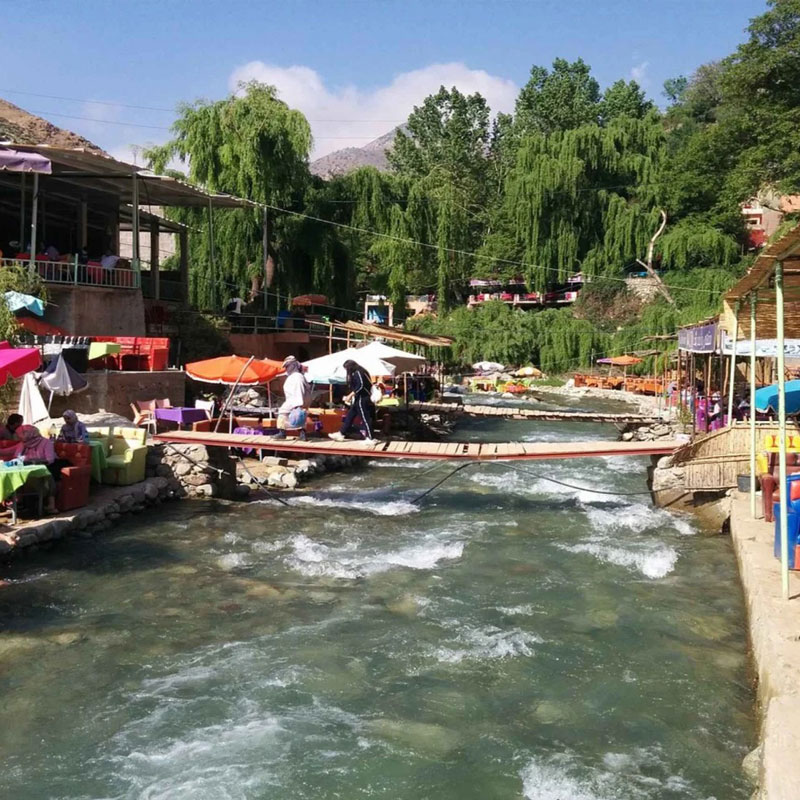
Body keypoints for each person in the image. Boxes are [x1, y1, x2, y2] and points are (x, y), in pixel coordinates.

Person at [18, 425, 66, 514]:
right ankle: (21, 502)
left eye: (25, 433)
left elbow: (50, 459)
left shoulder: (46, 443)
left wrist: (34, 461)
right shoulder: (24, 444)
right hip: (28, 467)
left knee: (47, 475)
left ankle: (51, 504)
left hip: (48, 466)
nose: (22, 435)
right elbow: (17, 456)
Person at [329, 359, 378, 444]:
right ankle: (341, 433)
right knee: (350, 415)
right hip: (359, 398)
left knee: (365, 418)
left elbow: (361, 386)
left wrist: (350, 395)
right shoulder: (362, 371)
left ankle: (371, 437)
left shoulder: (358, 372)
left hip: (362, 398)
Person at [276, 356, 310, 440]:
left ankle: (282, 433)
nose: (286, 368)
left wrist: (298, 404)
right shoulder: (296, 376)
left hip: (295, 400)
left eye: (288, 366)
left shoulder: (296, 377)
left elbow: (299, 390)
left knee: (283, 413)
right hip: (295, 400)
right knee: (299, 416)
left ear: (293, 365)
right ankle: (302, 434)